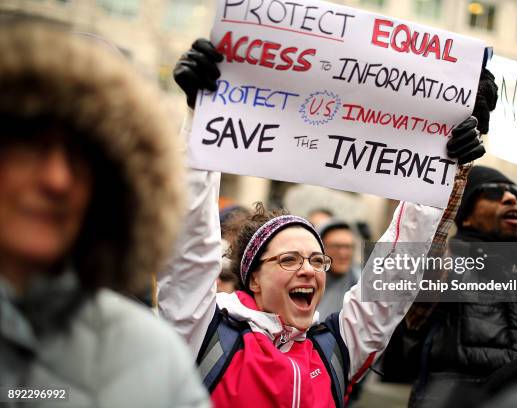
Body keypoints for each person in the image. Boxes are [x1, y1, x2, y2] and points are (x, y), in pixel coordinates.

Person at [157, 38, 494, 407]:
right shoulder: (205, 332)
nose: (308, 270)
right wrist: (199, 118)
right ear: (253, 276)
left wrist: (444, 157)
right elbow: (191, 248)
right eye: (289, 259)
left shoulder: (334, 349)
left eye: (317, 260)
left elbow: (394, 275)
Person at [0, 23, 209, 407]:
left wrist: (205, 121)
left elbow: (192, 259)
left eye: (84, 156)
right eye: (31, 145)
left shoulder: (153, 358)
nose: (57, 179)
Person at [383, 166, 517, 407]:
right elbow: (425, 242)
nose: (511, 199)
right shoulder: (446, 267)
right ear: (465, 214)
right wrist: (456, 169)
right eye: (494, 193)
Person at [316, 219, 359, 320]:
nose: (343, 253)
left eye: (348, 247)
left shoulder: (360, 285)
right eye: (336, 246)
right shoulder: (307, 283)